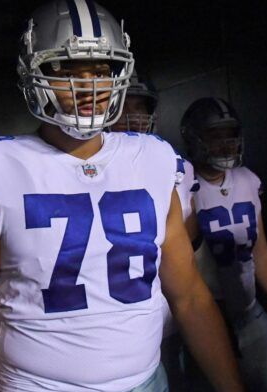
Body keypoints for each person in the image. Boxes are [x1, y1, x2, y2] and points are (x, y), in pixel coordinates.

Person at [0, 1, 242, 391]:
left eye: (102, 70)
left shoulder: (153, 158)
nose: (89, 86)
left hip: (146, 381)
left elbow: (190, 296)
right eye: (66, 70)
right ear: (32, 73)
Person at [181, 97, 267, 391]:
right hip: (205, 316)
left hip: (248, 310)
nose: (225, 144)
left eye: (230, 135)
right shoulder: (180, 185)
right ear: (194, 138)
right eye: (214, 136)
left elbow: (260, 250)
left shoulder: (247, 179)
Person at [108, 70, 199, 391]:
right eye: (124, 106)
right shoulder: (81, 164)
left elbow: (185, 239)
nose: (134, 116)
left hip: (165, 312)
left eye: (140, 107)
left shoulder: (171, 164)